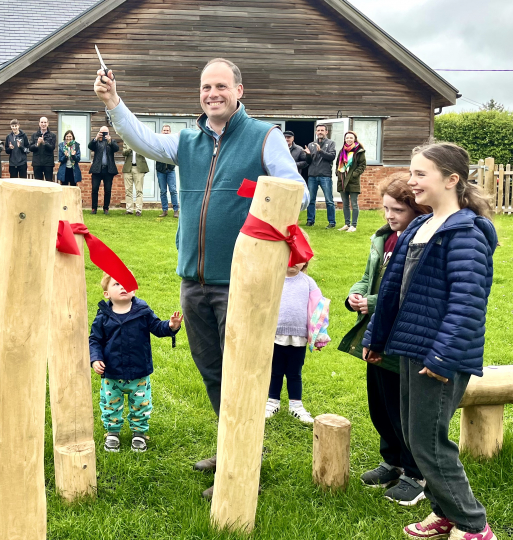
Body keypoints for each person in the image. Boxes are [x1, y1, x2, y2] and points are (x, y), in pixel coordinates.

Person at [94, 58, 308, 498]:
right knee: (213, 371)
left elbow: (294, 193)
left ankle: (243, 463)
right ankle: (233, 446)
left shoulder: (264, 137)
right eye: (206, 87)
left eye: (221, 86)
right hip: (193, 281)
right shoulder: (188, 141)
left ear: (239, 91)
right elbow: (144, 140)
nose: (212, 94)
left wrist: (265, 230)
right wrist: (113, 102)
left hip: (242, 283)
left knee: (242, 371)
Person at [363, 143, 498, 540]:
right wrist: (377, 336)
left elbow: (468, 302)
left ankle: (474, 525)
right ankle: (445, 513)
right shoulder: (421, 226)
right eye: (412, 172)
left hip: (438, 355)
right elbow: (390, 290)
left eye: (421, 174)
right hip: (409, 346)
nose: (412, 181)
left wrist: (442, 357)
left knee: (428, 443)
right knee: (414, 437)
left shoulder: (466, 233)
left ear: (451, 180)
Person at [339, 172, 431, 506]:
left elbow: (410, 291)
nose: (390, 216)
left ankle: (415, 473)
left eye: (398, 210)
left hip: (403, 337)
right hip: (375, 333)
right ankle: (391, 461)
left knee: (401, 408)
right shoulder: (384, 238)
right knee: (379, 404)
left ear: (417, 210)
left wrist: (373, 302)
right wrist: (356, 294)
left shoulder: (423, 241)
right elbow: (368, 277)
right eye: (386, 209)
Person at [89, 272, 182, 453]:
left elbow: (157, 327)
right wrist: (95, 359)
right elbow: (94, 340)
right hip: (112, 373)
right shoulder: (103, 315)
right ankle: (112, 432)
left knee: (141, 404)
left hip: (139, 372)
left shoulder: (142, 311)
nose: (123, 287)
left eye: (127, 283)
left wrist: (171, 326)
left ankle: (139, 433)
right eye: (117, 284)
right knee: (110, 403)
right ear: (106, 294)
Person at [265, 239, 329, 425]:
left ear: (305, 260)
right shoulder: (273, 280)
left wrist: (320, 336)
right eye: (288, 258)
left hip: (299, 338)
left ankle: (296, 405)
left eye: (298, 258)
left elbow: (319, 310)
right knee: (275, 371)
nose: (292, 263)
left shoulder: (308, 283)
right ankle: (272, 401)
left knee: (294, 373)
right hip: (275, 336)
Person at [305, 124, 337, 228]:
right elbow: (308, 162)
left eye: (322, 130)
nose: (320, 132)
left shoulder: (331, 143)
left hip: (325, 175)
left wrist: (320, 151)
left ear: (326, 132)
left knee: (329, 200)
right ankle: (310, 220)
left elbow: (331, 156)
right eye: (318, 130)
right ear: (315, 132)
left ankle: (332, 222)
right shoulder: (311, 144)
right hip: (312, 176)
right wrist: (308, 155)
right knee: (311, 200)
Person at [336, 131, 366, 232]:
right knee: (345, 204)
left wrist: (354, 175)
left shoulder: (359, 151)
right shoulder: (342, 151)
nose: (349, 139)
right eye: (347, 138)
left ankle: (354, 225)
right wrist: (338, 174)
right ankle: (347, 224)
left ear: (355, 139)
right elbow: (337, 164)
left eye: (351, 138)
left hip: (353, 181)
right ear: (345, 139)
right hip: (342, 180)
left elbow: (362, 166)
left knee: (354, 204)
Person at [88, 126, 119, 214]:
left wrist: (110, 141)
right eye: (102, 132)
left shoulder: (112, 141)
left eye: (105, 132)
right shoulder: (96, 142)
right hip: (97, 169)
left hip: (108, 169)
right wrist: (96, 138)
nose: (104, 134)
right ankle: (94, 208)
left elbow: (116, 149)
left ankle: (106, 208)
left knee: (108, 190)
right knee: (94, 189)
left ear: (108, 133)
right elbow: (90, 146)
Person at [156, 125, 178, 218]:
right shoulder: (158, 142)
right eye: (164, 130)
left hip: (170, 170)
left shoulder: (173, 142)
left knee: (173, 190)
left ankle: (176, 210)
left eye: (167, 130)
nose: (165, 132)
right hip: (161, 170)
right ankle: (164, 210)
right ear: (162, 131)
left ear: (170, 132)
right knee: (163, 191)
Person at [122, 143, 148, 216]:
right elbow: (123, 153)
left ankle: (138, 210)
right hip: (128, 168)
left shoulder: (141, 142)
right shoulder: (126, 142)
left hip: (139, 168)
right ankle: (129, 209)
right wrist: (130, 148)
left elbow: (146, 152)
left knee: (139, 190)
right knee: (128, 190)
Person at [31, 117, 56, 181]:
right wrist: (37, 144)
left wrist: (44, 143)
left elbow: (52, 148)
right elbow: (30, 148)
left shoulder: (52, 135)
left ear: (48, 124)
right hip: (37, 163)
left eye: (45, 122)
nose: (43, 124)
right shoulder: (34, 135)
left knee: (49, 182)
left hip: (48, 163)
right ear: (39, 124)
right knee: (38, 183)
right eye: (42, 122)